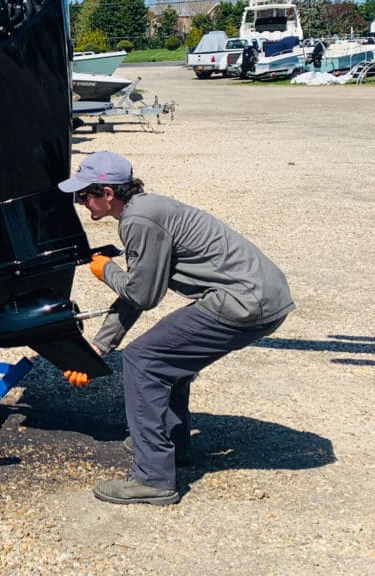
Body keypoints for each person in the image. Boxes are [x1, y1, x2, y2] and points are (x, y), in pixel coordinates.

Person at [58, 151, 294, 505]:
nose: (80, 202)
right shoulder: (145, 209)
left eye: (84, 195)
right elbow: (141, 291)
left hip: (244, 301)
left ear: (108, 193)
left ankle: (152, 477)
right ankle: (170, 441)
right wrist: (99, 347)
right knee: (168, 358)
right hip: (262, 295)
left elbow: (142, 294)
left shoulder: (138, 221)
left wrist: (105, 270)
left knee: (143, 360)